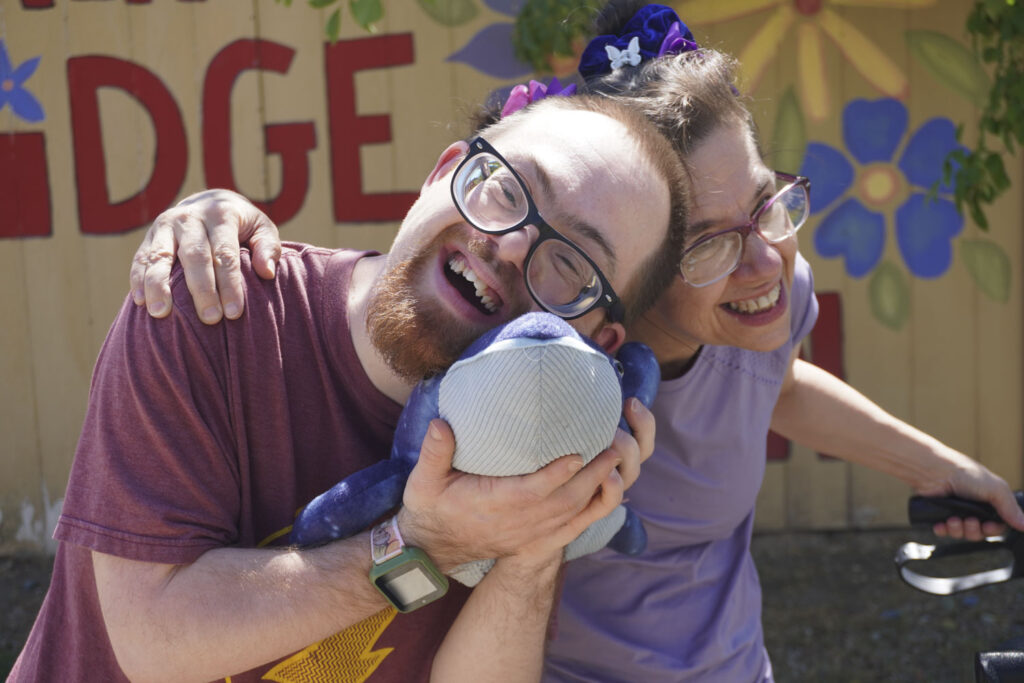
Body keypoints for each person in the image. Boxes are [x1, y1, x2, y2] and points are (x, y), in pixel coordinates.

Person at [124, 2, 1024, 681]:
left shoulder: (768, 299)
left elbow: (779, 386)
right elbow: (399, 296)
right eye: (711, 241)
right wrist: (213, 219)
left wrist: (940, 468)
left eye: (767, 204)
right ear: (626, 286)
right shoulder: (544, 391)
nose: (765, 259)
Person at [10, 93, 692, 683]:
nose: (513, 244)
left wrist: (539, 539)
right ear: (444, 173)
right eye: (508, 187)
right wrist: (424, 543)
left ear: (597, 342)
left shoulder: (535, 451)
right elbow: (150, 637)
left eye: (572, 260)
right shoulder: (211, 302)